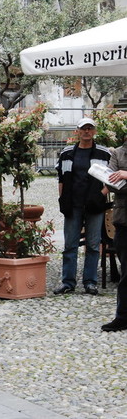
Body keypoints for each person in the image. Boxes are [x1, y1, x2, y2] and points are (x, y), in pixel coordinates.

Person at [54, 117, 111, 296]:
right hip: (73, 205)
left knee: (94, 245)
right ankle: (68, 282)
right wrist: (62, 199)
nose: (87, 132)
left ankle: (90, 282)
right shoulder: (67, 153)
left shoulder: (104, 153)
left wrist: (100, 195)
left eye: (90, 128)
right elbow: (61, 177)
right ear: (77, 131)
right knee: (70, 244)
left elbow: (112, 178)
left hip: (95, 205)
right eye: (83, 129)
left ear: (94, 131)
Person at [102, 135, 127, 331]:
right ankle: (123, 316)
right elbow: (110, 183)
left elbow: (120, 182)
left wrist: (125, 175)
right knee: (126, 272)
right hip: (124, 221)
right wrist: (119, 179)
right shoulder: (117, 153)